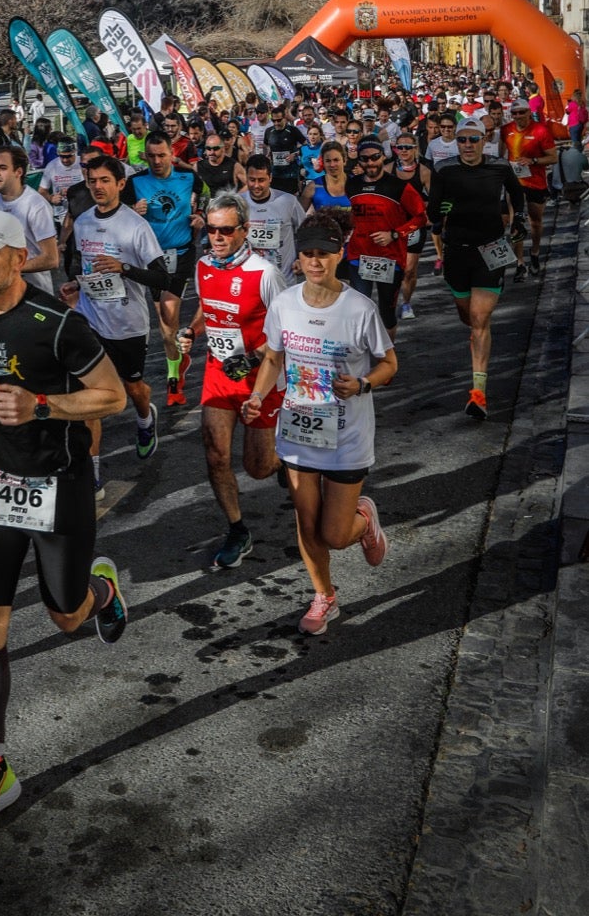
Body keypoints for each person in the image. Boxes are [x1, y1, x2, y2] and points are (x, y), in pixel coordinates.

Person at [0, 211, 128, 830]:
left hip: (58, 485)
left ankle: (102, 589)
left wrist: (42, 403)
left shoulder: (59, 325)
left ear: (17, 257)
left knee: (67, 616)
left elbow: (112, 397)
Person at [244, 213, 397, 636]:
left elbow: (390, 363)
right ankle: (323, 595)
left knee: (334, 533)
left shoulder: (359, 309)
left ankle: (364, 519)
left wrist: (364, 382)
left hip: (347, 434)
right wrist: (257, 397)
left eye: (324, 255)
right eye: (308, 254)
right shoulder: (285, 303)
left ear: (338, 255)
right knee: (306, 522)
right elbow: (273, 358)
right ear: (299, 258)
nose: (315, 262)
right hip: (298, 430)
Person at [178, 191, 287, 570]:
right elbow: (207, 308)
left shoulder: (265, 273)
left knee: (258, 467)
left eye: (226, 230)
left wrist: (253, 357)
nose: (218, 237)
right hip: (219, 373)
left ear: (245, 229)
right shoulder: (204, 265)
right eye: (211, 230)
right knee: (215, 452)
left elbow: (286, 329)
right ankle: (237, 529)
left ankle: (285, 463)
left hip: (262, 377)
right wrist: (191, 331)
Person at [63, 154, 168, 479]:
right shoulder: (81, 223)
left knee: (133, 387)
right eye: (92, 180)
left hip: (127, 324)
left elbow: (162, 278)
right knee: (87, 393)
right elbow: (78, 261)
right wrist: (73, 285)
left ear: (121, 184)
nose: (97, 186)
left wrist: (122, 268)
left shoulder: (135, 226)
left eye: (105, 180)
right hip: (90, 318)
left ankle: (144, 419)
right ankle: (91, 472)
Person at [428, 119, 526, 419]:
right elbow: (432, 210)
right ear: (455, 143)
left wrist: (518, 218)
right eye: (462, 141)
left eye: (473, 140)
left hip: (491, 250)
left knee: (480, 319)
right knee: (468, 317)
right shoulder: (445, 170)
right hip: (457, 252)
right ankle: (478, 338)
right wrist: (440, 211)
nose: (467, 146)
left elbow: (517, 194)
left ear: (484, 140)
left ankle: (478, 394)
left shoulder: (499, 166)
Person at [132, 131, 204, 407]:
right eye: (151, 156)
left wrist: (201, 217)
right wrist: (131, 209)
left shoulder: (188, 178)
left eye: (162, 155)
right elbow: (118, 212)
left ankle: (173, 381)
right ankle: (177, 359)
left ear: (172, 153)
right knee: (165, 326)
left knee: (169, 316)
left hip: (181, 254)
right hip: (152, 258)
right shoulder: (135, 182)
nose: (157, 161)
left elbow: (205, 197)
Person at [346, 139, 426, 340]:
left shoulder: (398, 186)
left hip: (389, 259)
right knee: (359, 310)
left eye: (375, 157)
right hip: (359, 257)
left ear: (383, 156)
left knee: (387, 313)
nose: (370, 163)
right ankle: (363, 356)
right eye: (365, 159)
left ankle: (387, 360)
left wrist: (394, 234)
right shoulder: (352, 184)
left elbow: (420, 217)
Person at [0, 145, 59, 293]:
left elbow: (51, 259)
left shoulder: (36, 205)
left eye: (2, 168)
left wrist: (11, 268)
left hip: (32, 291)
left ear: (18, 172)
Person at [501, 97, 558, 280]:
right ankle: (520, 263)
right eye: (514, 113)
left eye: (522, 112)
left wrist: (533, 161)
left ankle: (534, 252)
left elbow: (553, 158)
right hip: (515, 183)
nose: (518, 116)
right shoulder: (506, 130)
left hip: (536, 182)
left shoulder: (541, 130)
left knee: (535, 221)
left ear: (528, 112)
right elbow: (502, 154)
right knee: (515, 221)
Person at [240, 154, 305, 278]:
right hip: (250, 279)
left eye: (261, 180)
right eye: (252, 180)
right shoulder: (238, 203)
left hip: (283, 279)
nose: (256, 185)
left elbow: (305, 232)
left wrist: (301, 258)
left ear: (270, 178)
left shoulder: (288, 201)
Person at [390, 135, 433, 319]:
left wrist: (426, 213)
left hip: (414, 226)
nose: (404, 150)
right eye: (400, 147)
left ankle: (406, 303)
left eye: (408, 147)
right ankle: (389, 302)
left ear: (415, 148)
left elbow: (434, 199)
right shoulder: (387, 169)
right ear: (396, 149)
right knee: (392, 269)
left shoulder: (424, 171)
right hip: (391, 226)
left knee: (409, 270)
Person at [39, 137, 84, 231]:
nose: (65, 160)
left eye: (68, 156)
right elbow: (42, 191)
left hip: (82, 215)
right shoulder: (52, 166)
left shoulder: (82, 164)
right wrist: (51, 198)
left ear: (75, 151)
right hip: (61, 217)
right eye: (62, 156)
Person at [263, 104, 303, 195]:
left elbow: (305, 146)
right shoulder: (269, 131)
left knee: (290, 200)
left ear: (284, 118)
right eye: (274, 120)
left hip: (290, 174)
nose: (276, 123)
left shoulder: (293, 130)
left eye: (279, 120)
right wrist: (267, 155)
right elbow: (265, 146)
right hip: (275, 173)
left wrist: (295, 155)